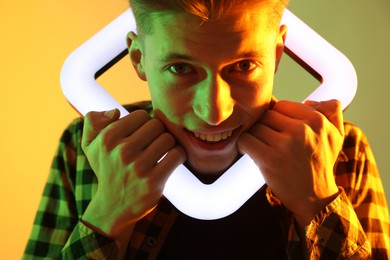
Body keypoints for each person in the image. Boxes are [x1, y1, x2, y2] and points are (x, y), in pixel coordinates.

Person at [24, 0, 389, 259]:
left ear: (277, 54)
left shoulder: (341, 149)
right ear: (139, 59)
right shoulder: (84, 147)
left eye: (243, 65)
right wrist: (107, 217)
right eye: (181, 68)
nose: (214, 111)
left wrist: (317, 202)